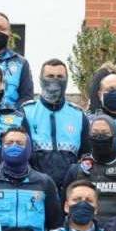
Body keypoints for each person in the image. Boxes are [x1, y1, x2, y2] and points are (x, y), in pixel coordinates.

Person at [22, 59, 88, 190]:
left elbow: (86, 155)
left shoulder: (79, 115)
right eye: (50, 76)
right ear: (41, 79)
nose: (55, 80)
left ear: (67, 80)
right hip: (35, 188)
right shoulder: (26, 112)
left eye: (60, 77)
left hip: (70, 190)